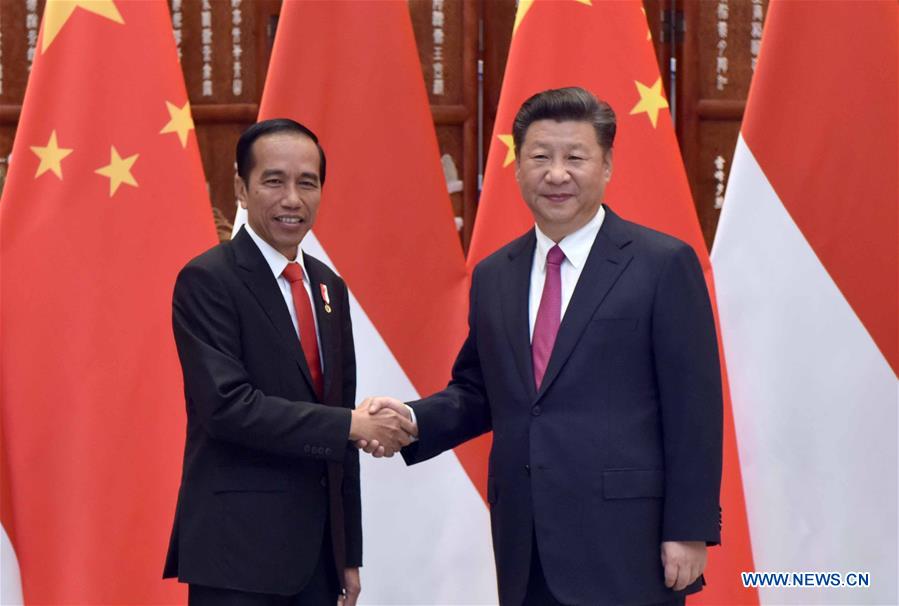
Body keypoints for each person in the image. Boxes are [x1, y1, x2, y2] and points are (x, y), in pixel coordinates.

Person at [361, 88, 723, 605]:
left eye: (575, 157)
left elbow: (695, 409)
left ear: (607, 165)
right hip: (524, 540)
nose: (557, 174)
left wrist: (689, 528)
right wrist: (411, 421)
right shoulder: (494, 275)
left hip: (628, 542)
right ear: (517, 168)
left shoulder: (662, 264)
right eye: (540, 157)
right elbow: (480, 391)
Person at [163, 118, 416, 606]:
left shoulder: (327, 287)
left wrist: (348, 553)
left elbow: (342, 423)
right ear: (241, 187)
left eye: (308, 182)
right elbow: (228, 408)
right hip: (237, 556)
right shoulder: (208, 280)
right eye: (274, 181)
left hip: (317, 559)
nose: (292, 199)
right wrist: (350, 423)